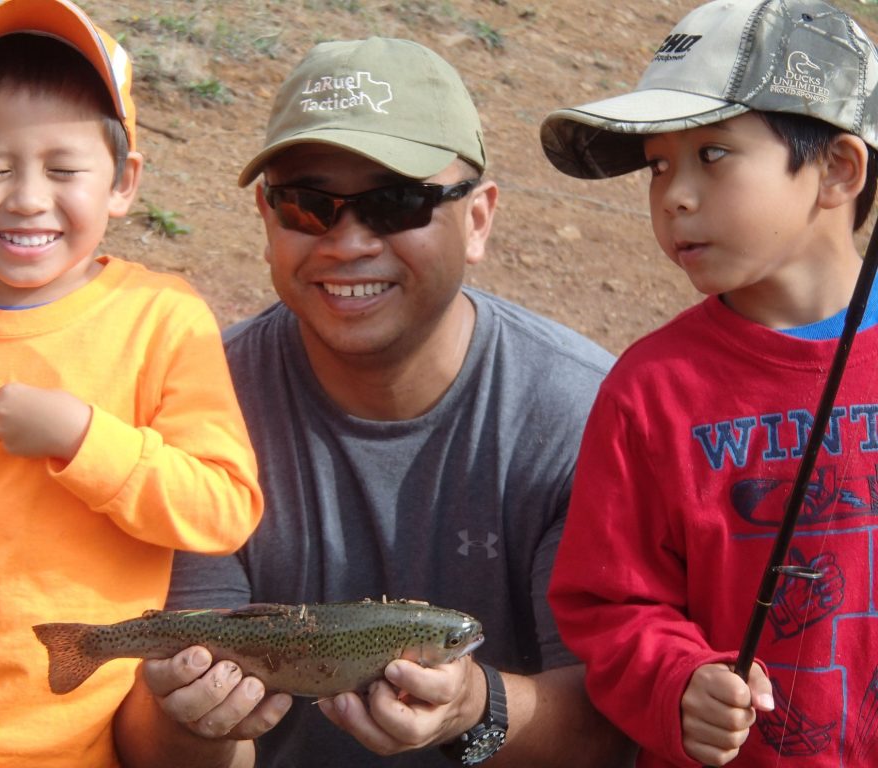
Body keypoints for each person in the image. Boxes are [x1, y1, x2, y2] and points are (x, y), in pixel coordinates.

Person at [114, 36, 633, 768]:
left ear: (478, 219)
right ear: (267, 216)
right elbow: (147, 745)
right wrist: (191, 721)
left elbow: (611, 730)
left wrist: (475, 709)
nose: (349, 242)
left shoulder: (582, 414)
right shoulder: (197, 399)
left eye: (397, 202)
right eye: (307, 205)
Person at [0, 0, 264, 765]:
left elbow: (222, 509)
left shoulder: (161, 319)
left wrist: (85, 438)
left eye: (64, 169)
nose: (29, 197)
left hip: (55, 742)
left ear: (123, 182)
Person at [540, 1, 878, 766]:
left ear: (838, 169)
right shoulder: (651, 390)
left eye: (713, 155)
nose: (674, 196)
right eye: (660, 164)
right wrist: (677, 681)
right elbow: (610, 604)